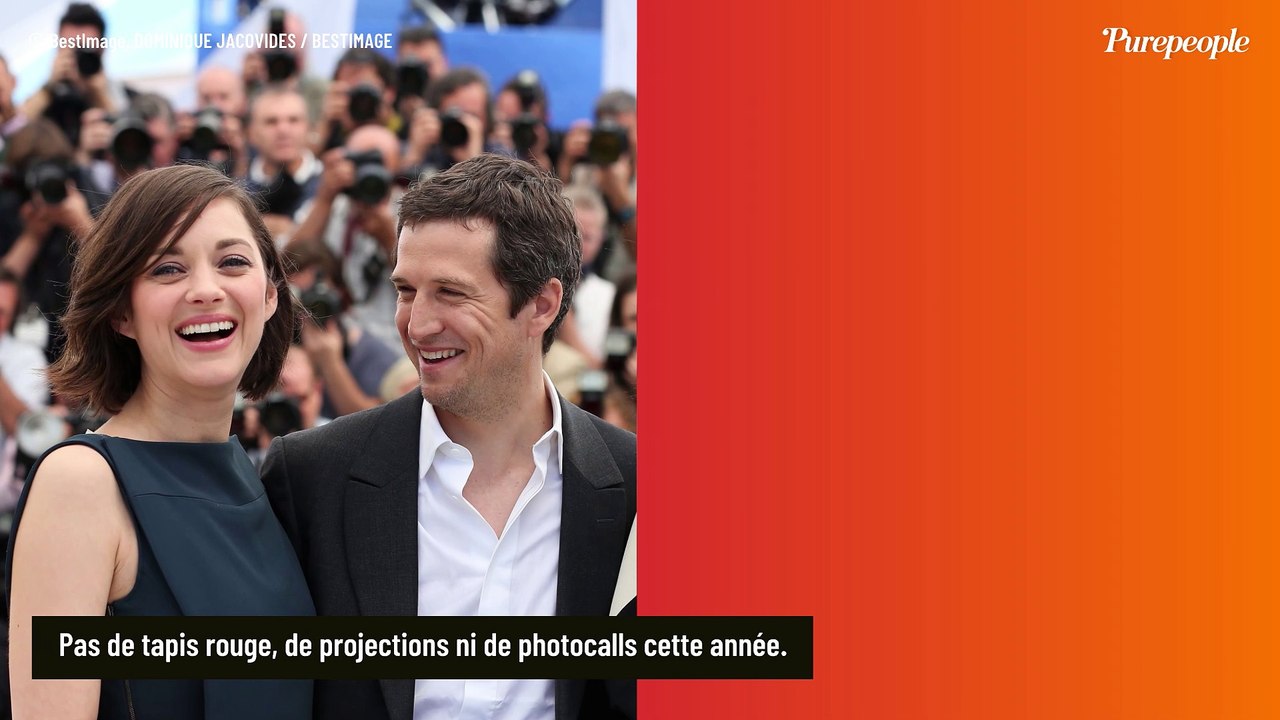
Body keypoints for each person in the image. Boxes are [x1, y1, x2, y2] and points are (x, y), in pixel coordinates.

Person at [262, 154, 636, 720]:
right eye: (406, 290)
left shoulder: (637, 487)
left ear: (541, 304)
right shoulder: (310, 477)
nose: (417, 324)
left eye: (451, 294)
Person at [5, 164, 313, 719]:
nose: (205, 290)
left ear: (269, 295)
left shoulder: (266, 481)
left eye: (233, 262)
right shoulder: (80, 484)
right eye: (168, 269)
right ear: (121, 310)